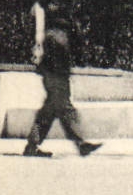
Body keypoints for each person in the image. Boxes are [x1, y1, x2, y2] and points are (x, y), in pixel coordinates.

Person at [23, 9, 101, 158]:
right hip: (56, 78)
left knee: (49, 112)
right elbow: (55, 63)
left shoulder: (56, 36)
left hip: (55, 78)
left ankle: (32, 146)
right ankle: (80, 143)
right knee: (65, 109)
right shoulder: (57, 37)